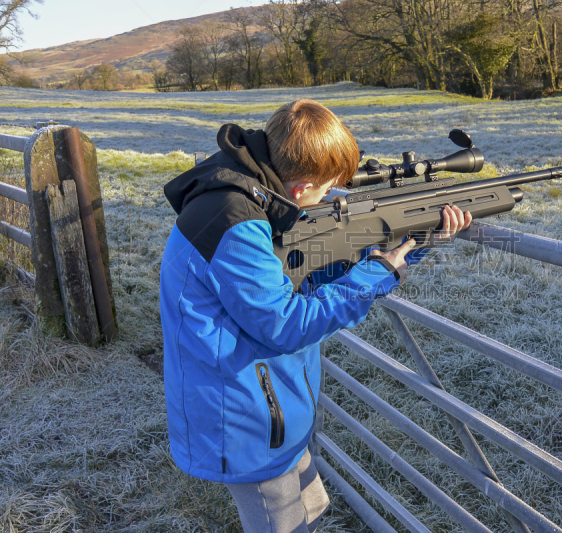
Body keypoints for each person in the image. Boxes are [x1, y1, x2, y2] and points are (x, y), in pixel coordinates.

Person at [159, 98, 472, 533]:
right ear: (302, 188)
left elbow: (307, 263)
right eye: (328, 189)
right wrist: (379, 274)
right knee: (283, 523)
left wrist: (410, 242)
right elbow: (285, 324)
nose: (331, 198)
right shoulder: (234, 221)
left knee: (314, 505)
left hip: (267, 402)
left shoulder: (255, 191)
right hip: (246, 416)